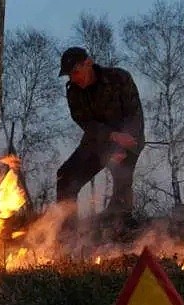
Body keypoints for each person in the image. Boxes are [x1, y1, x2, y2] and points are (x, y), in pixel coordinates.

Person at [56, 47, 144, 235]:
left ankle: (123, 228)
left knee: (121, 174)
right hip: (96, 142)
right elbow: (85, 122)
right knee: (66, 176)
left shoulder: (119, 79)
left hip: (128, 141)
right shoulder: (74, 92)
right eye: (69, 75)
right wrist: (111, 136)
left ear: (88, 63)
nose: (73, 78)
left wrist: (123, 146)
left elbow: (134, 114)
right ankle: (67, 234)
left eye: (76, 72)